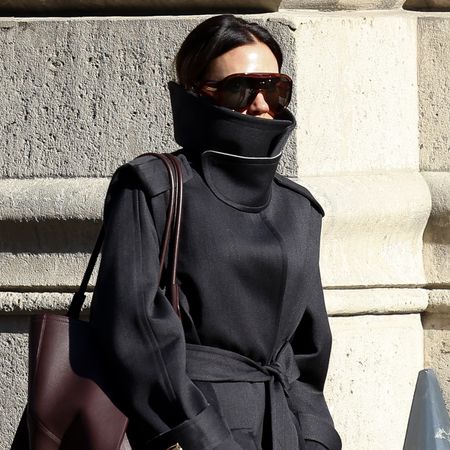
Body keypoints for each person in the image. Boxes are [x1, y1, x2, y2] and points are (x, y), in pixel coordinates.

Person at [90, 14, 342, 450]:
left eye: (274, 88)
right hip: (195, 430)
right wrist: (201, 436)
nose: (261, 105)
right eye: (240, 88)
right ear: (197, 96)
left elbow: (308, 350)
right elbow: (132, 330)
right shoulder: (153, 187)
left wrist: (317, 439)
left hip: (285, 432)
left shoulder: (299, 209)